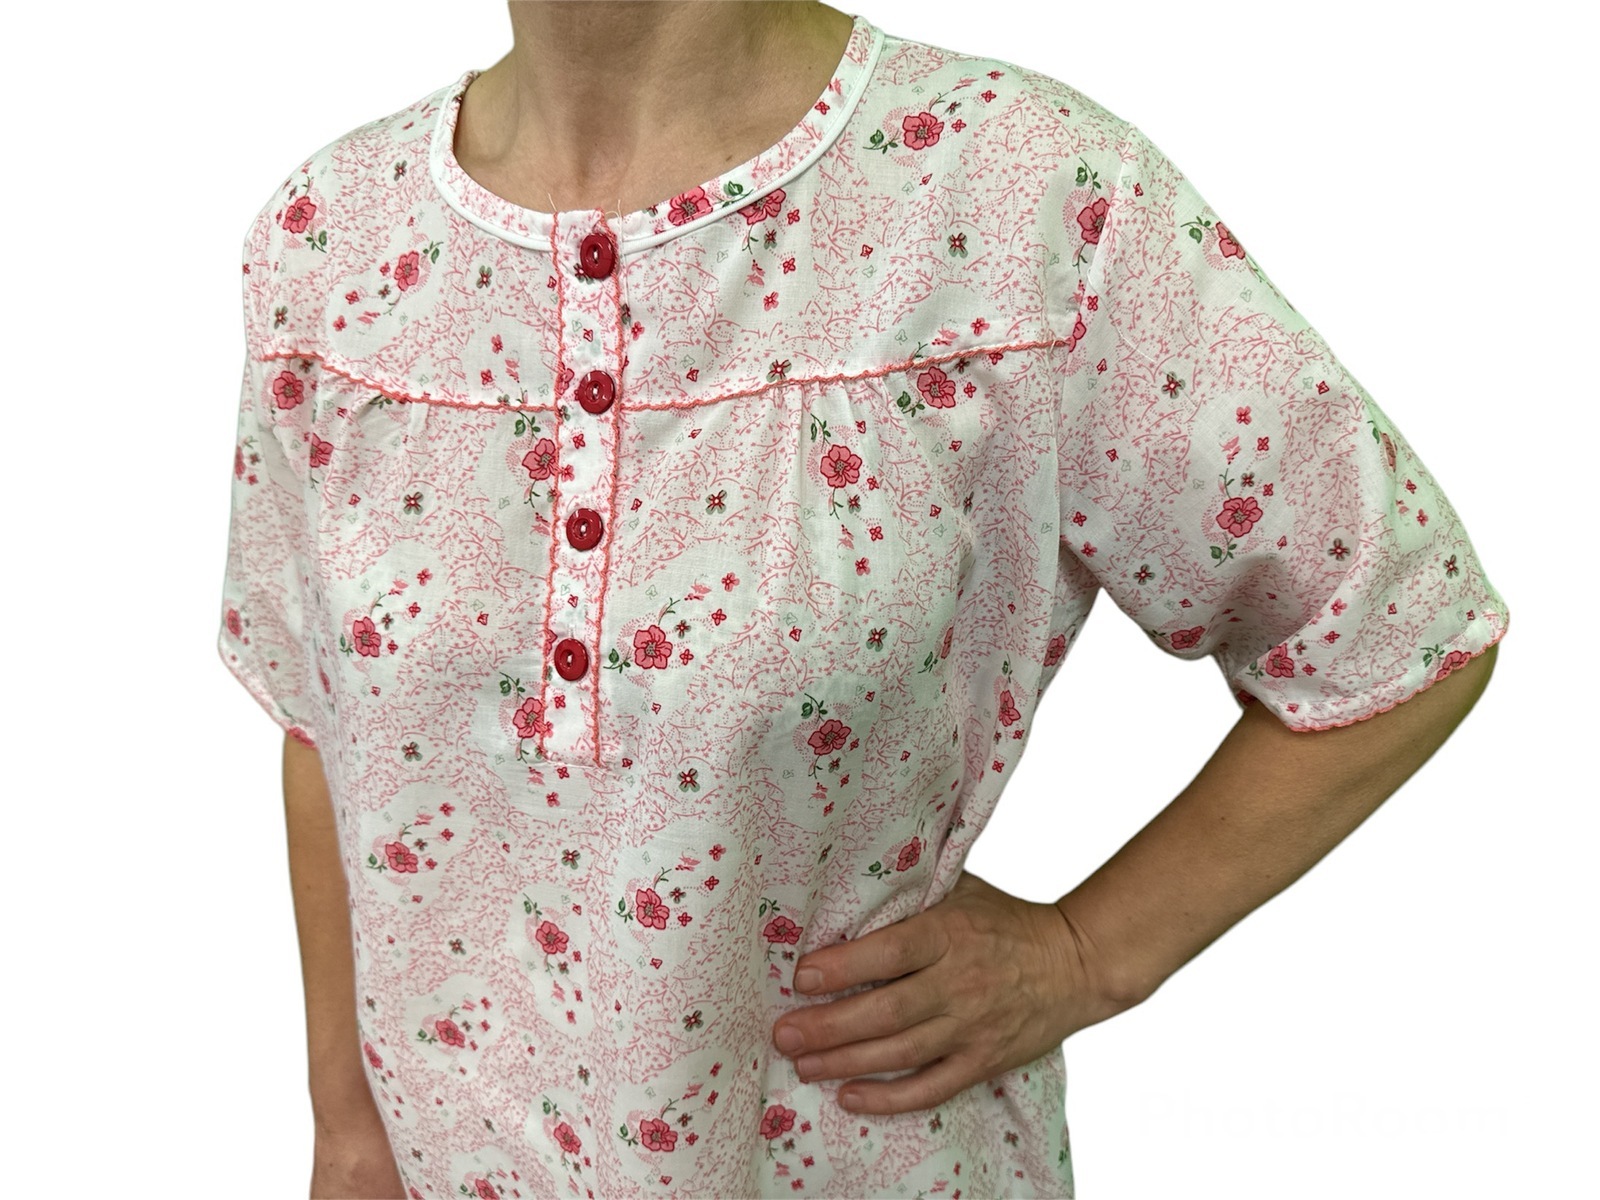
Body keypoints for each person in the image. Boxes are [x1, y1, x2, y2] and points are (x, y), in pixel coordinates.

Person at [215, 2, 1510, 1197]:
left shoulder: (1021, 196)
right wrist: (347, 1129)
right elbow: (324, 720)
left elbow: (1400, 629)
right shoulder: (331, 239)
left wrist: (1086, 953)